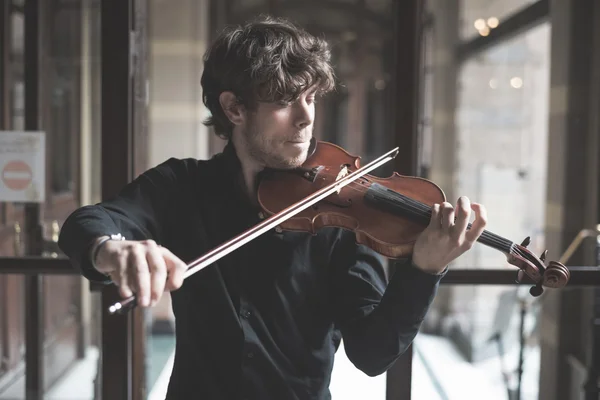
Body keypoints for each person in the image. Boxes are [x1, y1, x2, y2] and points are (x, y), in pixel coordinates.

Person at [58, 15, 487, 400]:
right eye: (285, 101)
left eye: (312, 98)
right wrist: (113, 249)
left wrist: (424, 271)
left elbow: (372, 354)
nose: (305, 119)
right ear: (233, 108)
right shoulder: (180, 185)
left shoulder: (340, 213)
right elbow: (89, 222)